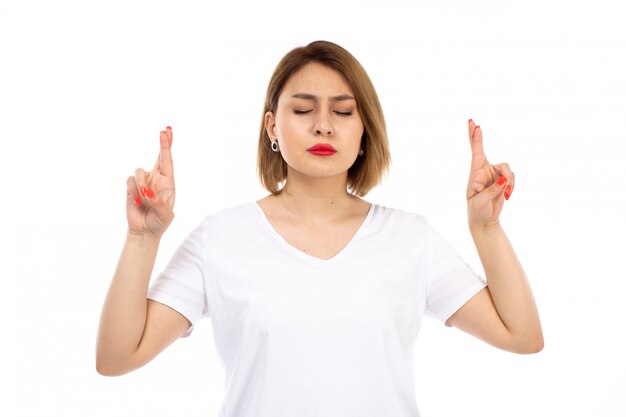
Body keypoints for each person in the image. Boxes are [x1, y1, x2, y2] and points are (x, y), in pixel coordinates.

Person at [96, 40, 543, 416]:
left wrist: (486, 230)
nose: (324, 125)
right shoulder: (222, 237)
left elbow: (521, 336)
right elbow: (117, 357)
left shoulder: (410, 239)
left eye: (344, 112)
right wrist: (143, 237)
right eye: (304, 109)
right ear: (273, 125)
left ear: (364, 129)